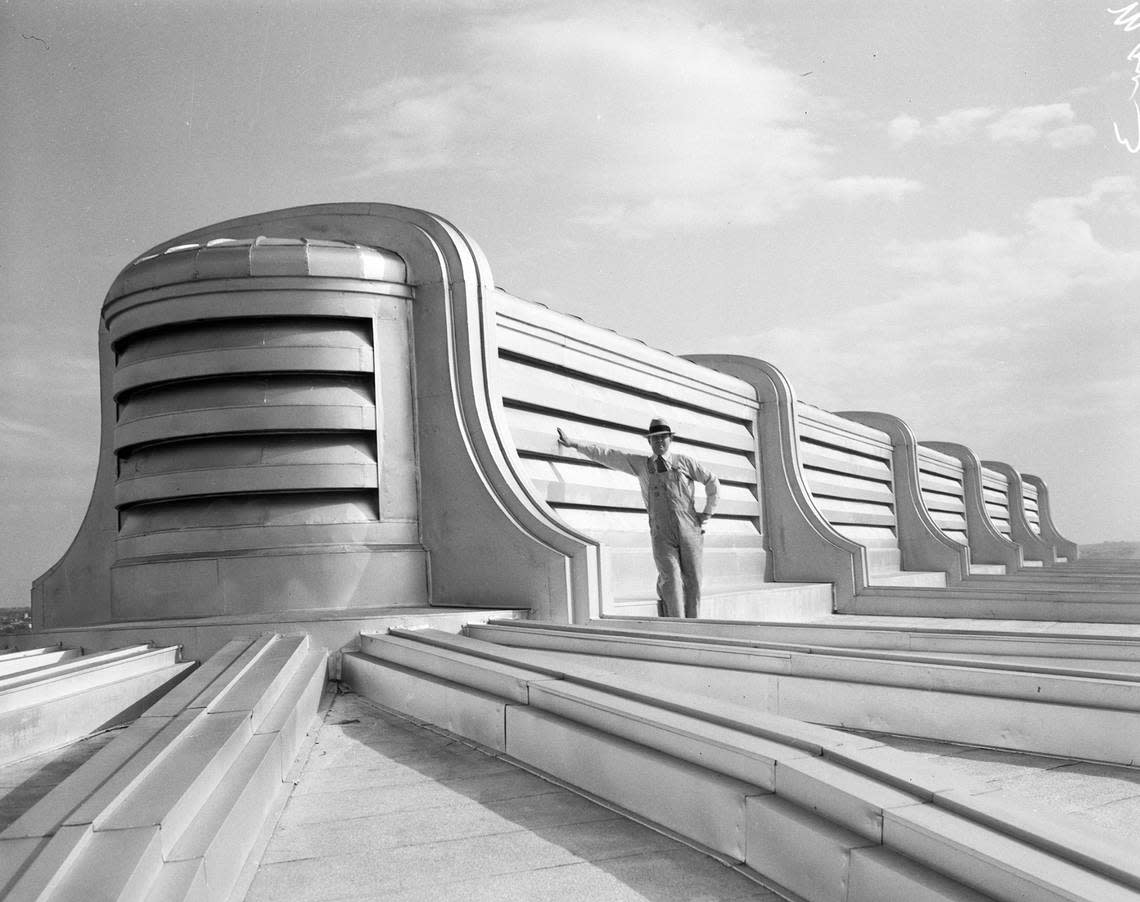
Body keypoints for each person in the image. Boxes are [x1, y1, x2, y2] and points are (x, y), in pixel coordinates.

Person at [557, 418, 719, 618]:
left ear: (670, 439)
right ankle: (678, 627)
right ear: (649, 442)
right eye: (654, 439)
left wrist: (707, 512)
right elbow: (609, 456)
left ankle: (695, 627)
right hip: (662, 533)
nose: (659, 442)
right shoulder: (642, 465)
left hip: (689, 529)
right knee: (672, 579)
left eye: (663, 437)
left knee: (693, 581)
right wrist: (575, 444)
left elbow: (712, 481)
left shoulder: (684, 462)